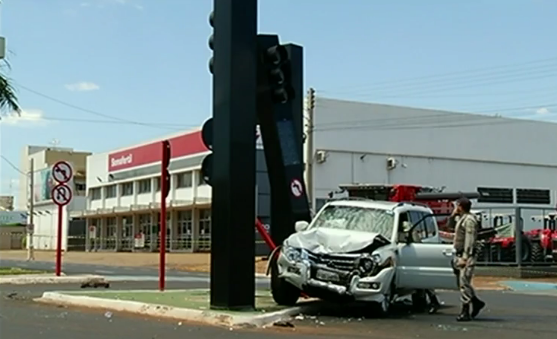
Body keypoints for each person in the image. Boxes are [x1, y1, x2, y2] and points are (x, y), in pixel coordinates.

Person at [451, 197, 486, 322]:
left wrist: (465, 257)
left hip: (466, 256)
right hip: (459, 254)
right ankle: (476, 302)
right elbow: (450, 227)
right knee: (462, 283)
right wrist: (452, 215)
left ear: (460, 206)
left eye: (457, 206)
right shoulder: (460, 218)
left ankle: (465, 310)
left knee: (464, 282)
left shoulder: (469, 220)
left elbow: (470, 240)